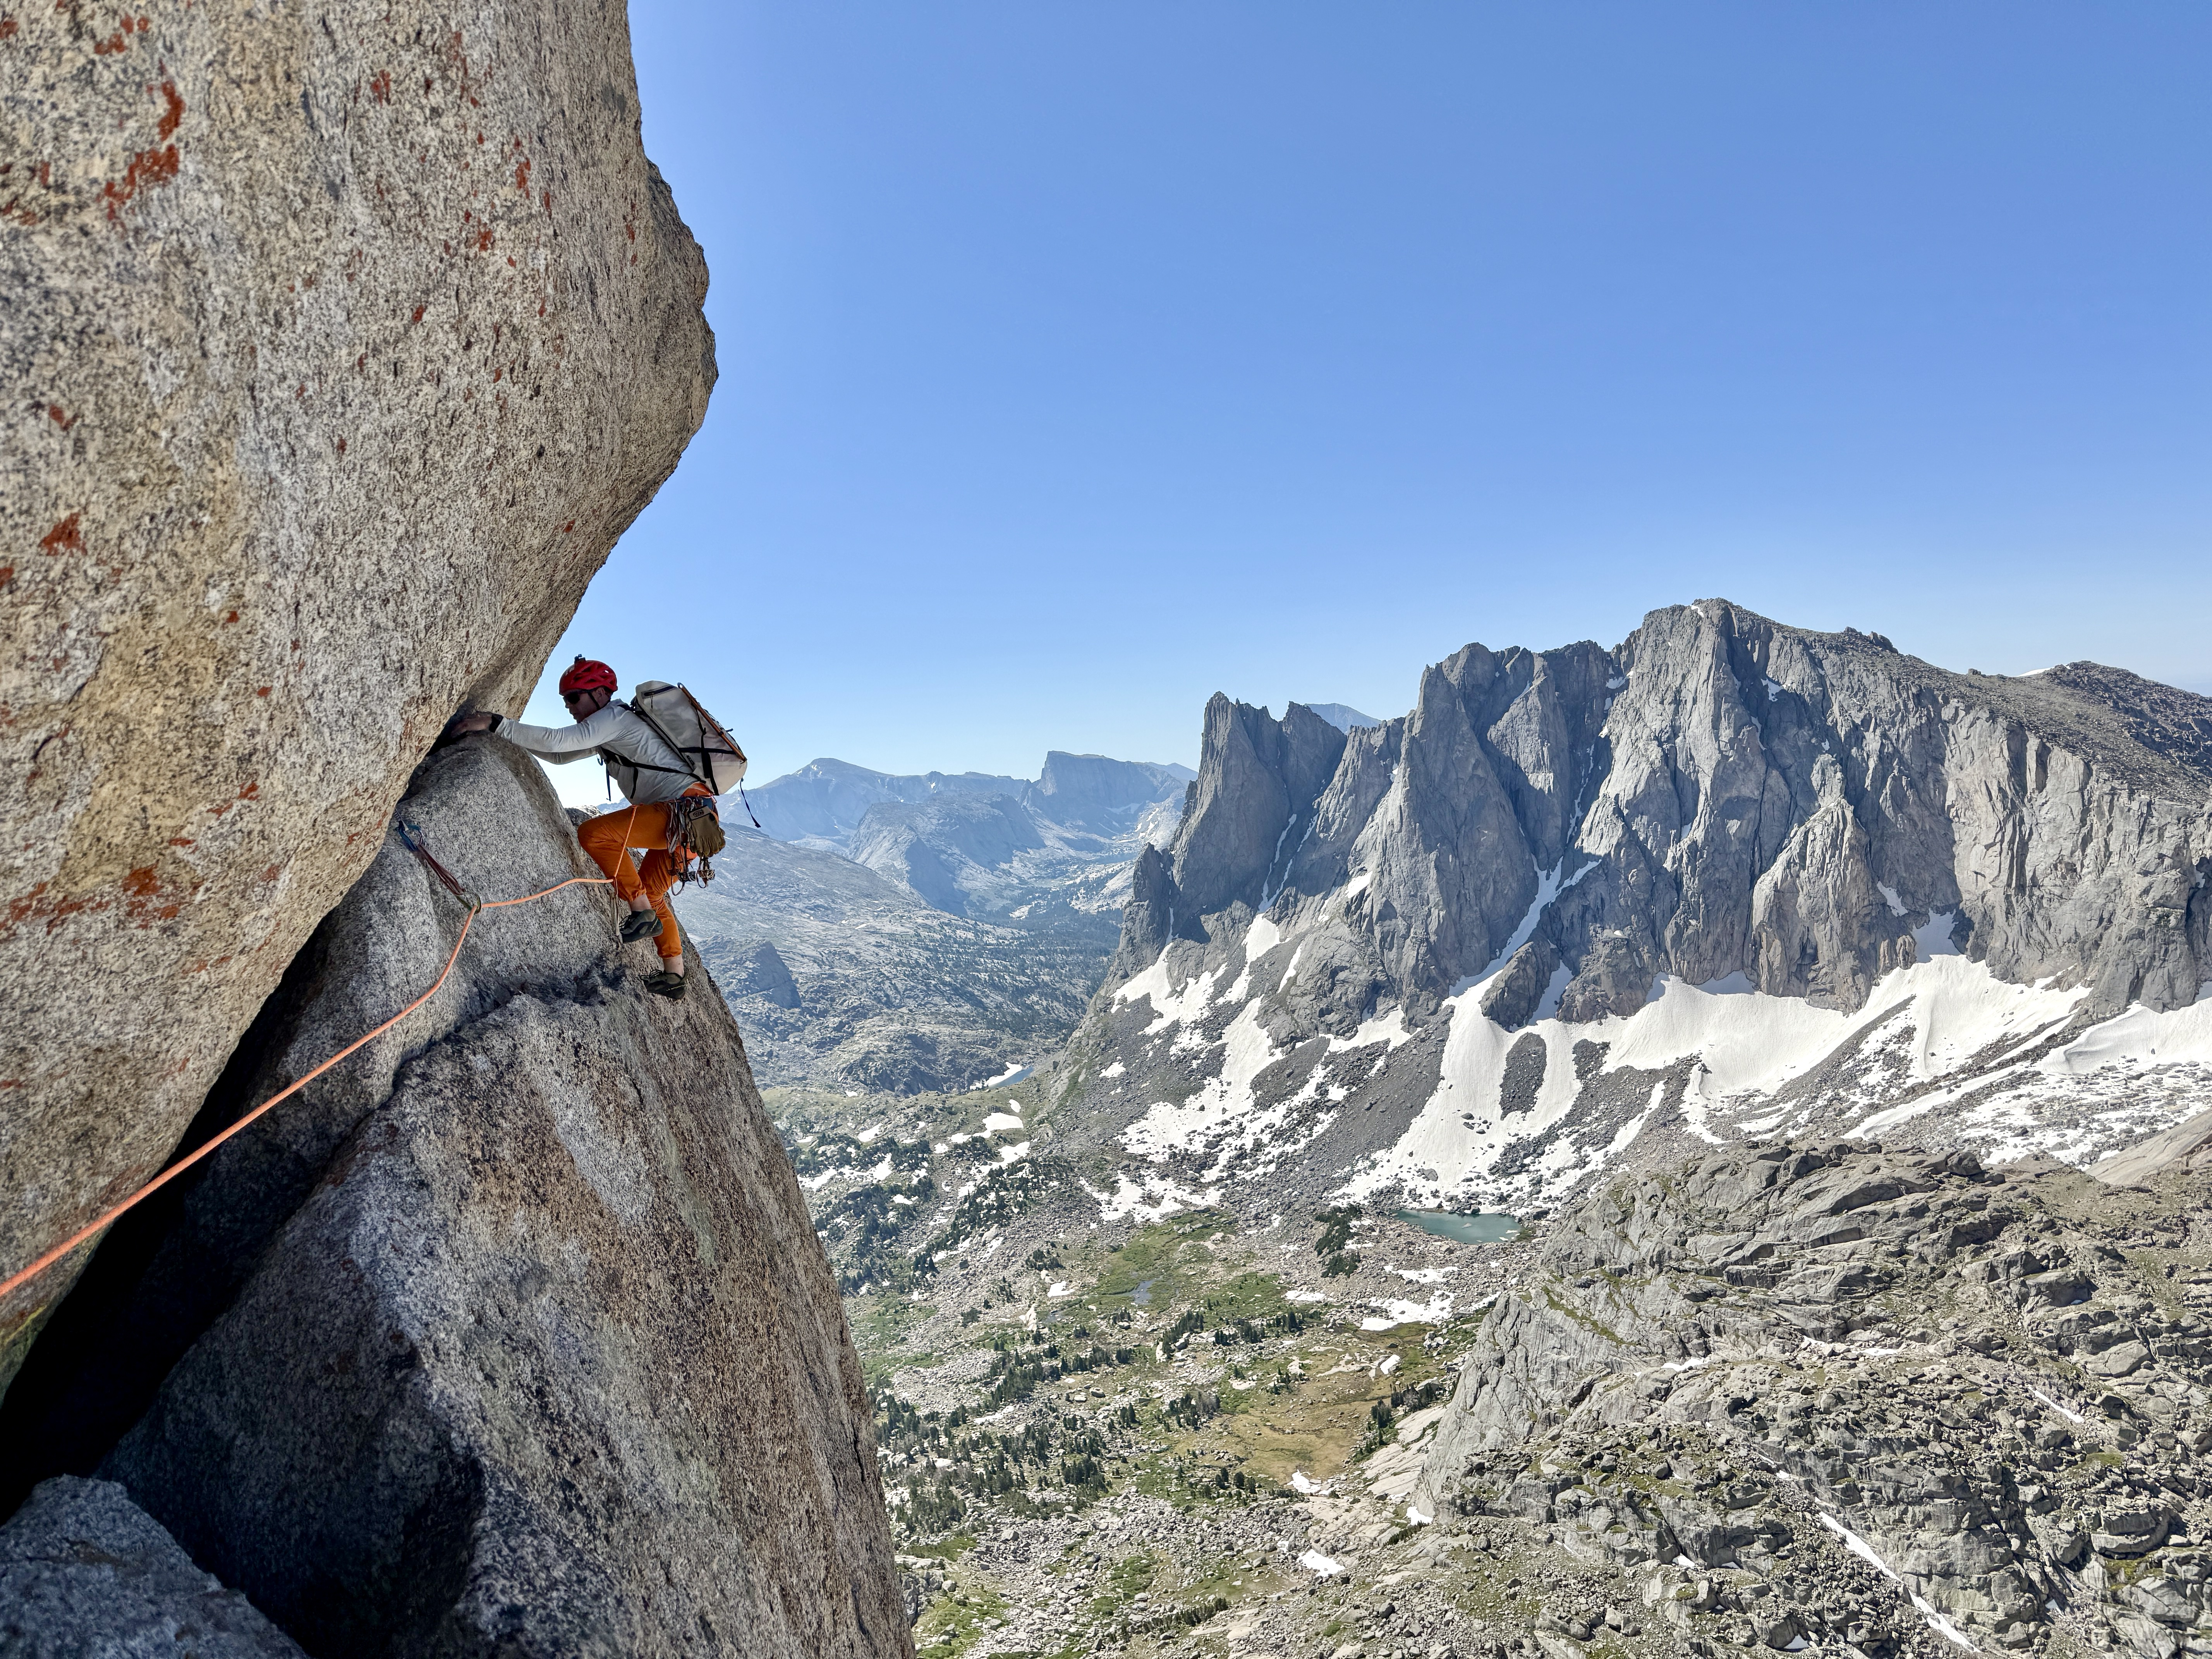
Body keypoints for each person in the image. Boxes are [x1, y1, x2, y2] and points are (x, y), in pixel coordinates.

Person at [450, 657, 702, 999]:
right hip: (696, 823)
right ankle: (675, 976)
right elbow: (559, 757)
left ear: (600, 694)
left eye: (574, 698)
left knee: (594, 834)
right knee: (653, 893)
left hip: (679, 813)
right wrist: (506, 738)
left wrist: (496, 723)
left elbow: (558, 741)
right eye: (565, 700)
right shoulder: (611, 730)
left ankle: (641, 912)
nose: (569, 707)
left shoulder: (614, 717)